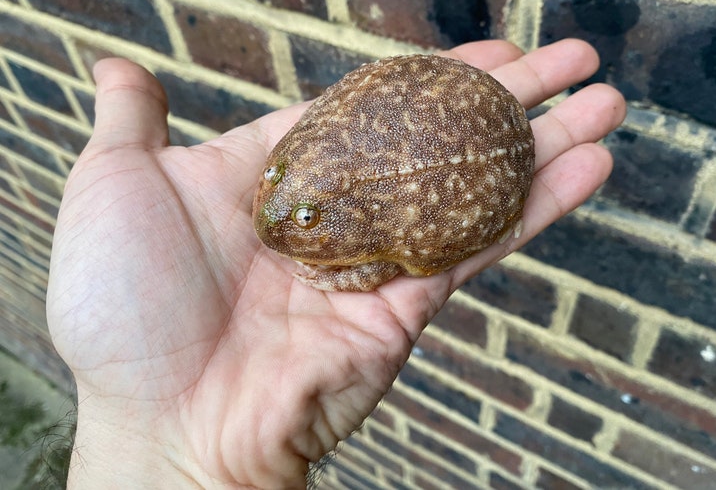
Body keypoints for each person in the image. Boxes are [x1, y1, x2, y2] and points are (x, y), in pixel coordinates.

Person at [46, 39, 626, 488]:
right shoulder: (304, 154)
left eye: (301, 221)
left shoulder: (372, 218)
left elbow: (385, 259)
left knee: (414, 251)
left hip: (457, 166)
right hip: (401, 131)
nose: (268, 209)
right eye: (269, 174)